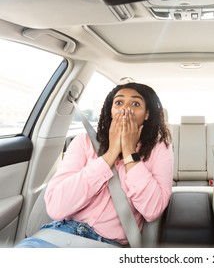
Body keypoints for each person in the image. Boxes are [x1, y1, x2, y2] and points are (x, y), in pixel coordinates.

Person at [16, 82, 173, 247]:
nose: (125, 109)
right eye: (119, 103)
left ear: (147, 114)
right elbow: (56, 207)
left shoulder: (159, 148)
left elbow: (152, 211)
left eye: (135, 104)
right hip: (59, 234)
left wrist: (128, 151)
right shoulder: (84, 141)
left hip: (107, 244)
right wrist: (111, 153)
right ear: (110, 111)